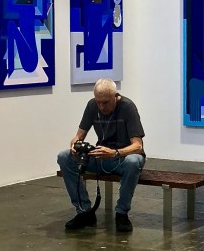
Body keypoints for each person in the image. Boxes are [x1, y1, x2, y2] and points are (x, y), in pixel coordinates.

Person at [57, 78, 145, 233]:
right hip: (100, 156)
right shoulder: (92, 106)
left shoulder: (128, 107)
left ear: (115, 97)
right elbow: (78, 136)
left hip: (121, 158)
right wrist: (74, 145)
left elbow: (138, 146)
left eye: (105, 102)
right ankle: (84, 211)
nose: (101, 107)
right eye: (98, 102)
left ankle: (121, 213)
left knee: (134, 161)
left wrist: (115, 153)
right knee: (64, 156)